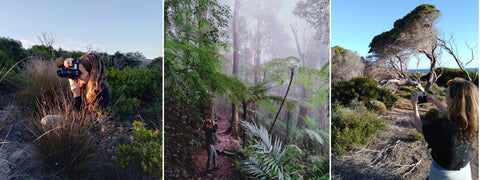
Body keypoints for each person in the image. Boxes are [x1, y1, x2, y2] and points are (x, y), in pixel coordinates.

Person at [410, 78, 478, 180]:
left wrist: (414, 106)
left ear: (454, 99)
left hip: (444, 174)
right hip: (465, 171)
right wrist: (435, 101)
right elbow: (452, 116)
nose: (445, 95)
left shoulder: (443, 124)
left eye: (447, 93)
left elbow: (420, 128)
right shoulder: (472, 119)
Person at [41, 53, 110, 126]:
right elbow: (57, 63)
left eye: (80, 73)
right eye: (77, 71)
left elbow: (84, 120)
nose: (77, 75)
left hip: (86, 127)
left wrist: (77, 95)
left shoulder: (102, 92)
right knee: (46, 120)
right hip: (73, 118)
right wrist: (65, 60)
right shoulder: (83, 83)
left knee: (48, 121)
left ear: (92, 74)